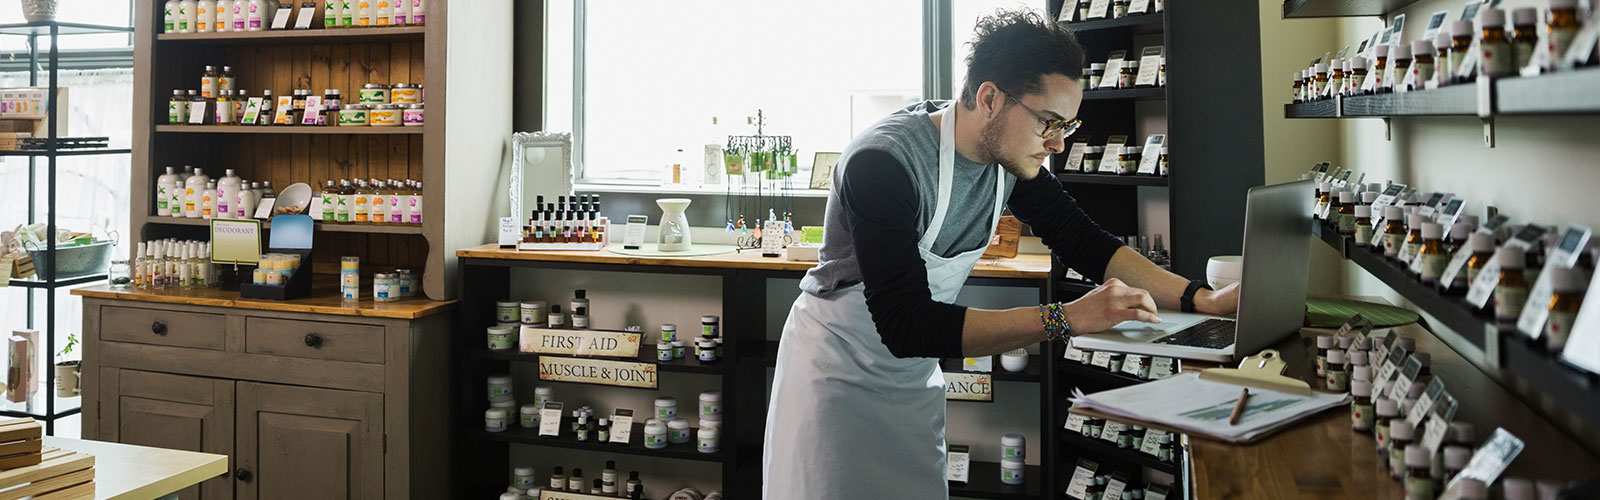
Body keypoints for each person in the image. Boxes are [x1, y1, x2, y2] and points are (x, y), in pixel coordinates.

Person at [762, 10, 1240, 500]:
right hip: (836, 378)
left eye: (1067, 126)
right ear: (989, 98)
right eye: (1048, 123)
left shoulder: (1008, 158)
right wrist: (1063, 318)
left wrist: (1201, 299)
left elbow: (1083, 240)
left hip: (909, 380)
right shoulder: (883, 164)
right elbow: (905, 324)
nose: (1056, 145)